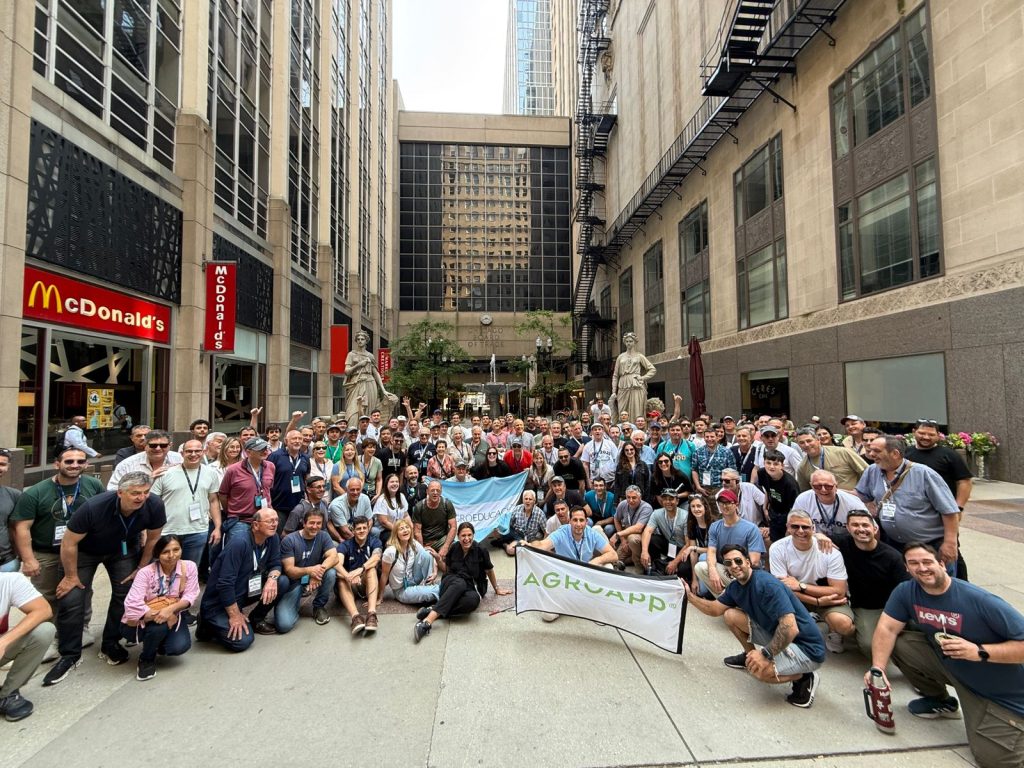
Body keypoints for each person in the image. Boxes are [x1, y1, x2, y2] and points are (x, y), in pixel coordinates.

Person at [869, 542, 1024, 768]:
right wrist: (878, 669)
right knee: (901, 644)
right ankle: (940, 701)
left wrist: (979, 651)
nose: (922, 568)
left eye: (927, 562)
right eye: (914, 563)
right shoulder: (906, 591)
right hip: (952, 666)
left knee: (995, 760)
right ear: (907, 568)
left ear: (942, 564)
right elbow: (887, 628)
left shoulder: (979, 600)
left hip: (997, 687)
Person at [43, 471, 167, 686]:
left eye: (145, 492)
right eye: (135, 493)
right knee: (72, 599)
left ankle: (110, 642)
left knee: (126, 593)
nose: (141, 497)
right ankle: (70, 655)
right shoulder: (94, 507)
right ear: (120, 493)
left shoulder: (154, 504)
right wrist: (71, 576)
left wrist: (141, 567)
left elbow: (153, 539)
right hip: (85, 552)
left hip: (122, 550)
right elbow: (69, 542)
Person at [684, 544, 825, 708]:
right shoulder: (736, 587)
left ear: (748, 562)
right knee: (730, 616)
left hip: (807, 649)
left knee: (760, 672)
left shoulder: (766, 585)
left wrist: (765, 654)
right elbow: (714, 609)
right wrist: (689, 596)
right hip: (779, 634)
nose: (734, 566)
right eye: (728, 563)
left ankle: (805, 676)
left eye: (738, 561)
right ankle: (749, 655)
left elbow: (790, 627)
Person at [11, 448, 104, 659]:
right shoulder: (36, 492)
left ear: (86, 464)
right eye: (69, 461)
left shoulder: (93, 485)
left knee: (82, 592)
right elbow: (22, 528)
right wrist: (28, 559)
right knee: (46, 597)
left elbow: (102, 513)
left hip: (82, 552)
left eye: (80, 461)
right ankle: (48, 639)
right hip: (47, 553)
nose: (75, 465)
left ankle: (81, 629)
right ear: (57, 464)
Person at [855, 436, 960, 570]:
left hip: (930, 545)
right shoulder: (872, 471)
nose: (871, 454)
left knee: (936, 580)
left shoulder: (923, 473)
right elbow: (861, 495)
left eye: (877, 451)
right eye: (870, 450)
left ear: (895, 454)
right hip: (894, 544)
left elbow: (949, 511)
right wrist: (832, 489)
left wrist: (950, 543)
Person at [769, 510, 855, 654]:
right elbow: (782, 590)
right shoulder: (777, 548)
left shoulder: (830, 551)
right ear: (788, 527)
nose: (800, 531)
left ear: (813, 528)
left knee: (844, 625)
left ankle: (833, 630)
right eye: (795, 526)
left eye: (805, 527)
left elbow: (839, 591)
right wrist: (816, 602)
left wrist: (801, 586)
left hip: (826, 597)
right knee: (770, 611)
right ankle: (802, 623)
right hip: (797, 597)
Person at [196, 508, 281, 651]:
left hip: (244, 592)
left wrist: (272, 579)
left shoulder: (273, 538)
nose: (274, 524)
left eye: (276, 520)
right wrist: (234, 615)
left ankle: (255, 620)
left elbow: (276, 563)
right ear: (255, 525)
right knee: (243, 641)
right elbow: (225, 583)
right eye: (270, 521)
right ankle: (207, 623)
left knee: (281, 582)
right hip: (219, 602)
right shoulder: (239, 543)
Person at [413, 522, 511, 643]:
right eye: (463, 535)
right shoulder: (454, 547)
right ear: (458, 536)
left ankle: (433, 609)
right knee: (460, 583)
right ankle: (426, 622)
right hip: (451, 582)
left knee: (473, 600)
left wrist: (497, 588)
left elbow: (489, 570)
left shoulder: (481, 550)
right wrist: (438, 559)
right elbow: (446, 570)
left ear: (473, 535)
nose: (466, 538)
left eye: (469, 535)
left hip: (471, 587)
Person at [830, 509, 909, 658]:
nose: (861, 529)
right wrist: (819, 536)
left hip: (885, 606)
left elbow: (906, 589)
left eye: (865, 525)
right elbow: (812, 536)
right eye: (855, 525)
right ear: (848, 528)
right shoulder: (842, 543)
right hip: (860, 605)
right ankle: (846, 630)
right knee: (869, 647)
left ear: (875, 528)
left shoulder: (892, 557)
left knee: (881, 644)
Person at [120, 534, 198, 681]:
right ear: (157, 554)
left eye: (176, 550)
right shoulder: (145, 573)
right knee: (159, 627)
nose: (172, 555)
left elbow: (190, 595)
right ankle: (146, 659)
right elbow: (132, 605)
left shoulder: (189, 567)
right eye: (165, 552)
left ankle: (155, 643)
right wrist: (165, 615)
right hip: (140, 621)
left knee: (178, 647)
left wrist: (170, 610)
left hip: (172, 614)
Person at [149, 439, 222, 566]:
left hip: (198, 530)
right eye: (189, 451)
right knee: (164, 569)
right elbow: (152, 502)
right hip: (168, 530)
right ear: (182, 453)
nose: (193, 454)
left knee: (189, 570)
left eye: (197, 451)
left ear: (203, 452)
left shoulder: (211, 473)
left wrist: (217, 527)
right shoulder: (165, 473)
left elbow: (213, 500)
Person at [0, 572, 54, 721]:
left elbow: (43, 610)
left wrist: (4, 642)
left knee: (44, 632)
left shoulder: (9, 580)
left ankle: (8, 694)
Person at [694, 489, 765, 597]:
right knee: (701, 564)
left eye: (728, 502)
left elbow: (754, 562)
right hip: (725, 568)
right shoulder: (715, 527)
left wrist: (734, 570)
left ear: (736, 504)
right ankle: (726, 599)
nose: (724, 506)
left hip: (743, 571)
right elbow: (711, 551)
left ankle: (732, 597)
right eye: (721, 503)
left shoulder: (751, 528)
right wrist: (713, 571)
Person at [276, 508, 338, 630]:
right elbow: (289, 571)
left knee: (331, 572)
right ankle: (291, 604)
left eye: (318, 523)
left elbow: (334, 557)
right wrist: (310, 571)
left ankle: (318, 606)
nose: (315, 526)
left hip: (314, 576)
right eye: (311, 523)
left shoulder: (323, 536)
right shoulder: (289, 540)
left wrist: (317, 573)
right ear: (304, 523)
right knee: (284, 625)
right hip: (295, 582)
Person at [217, 437, 275, 546]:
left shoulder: (270, 466)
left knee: (266, 551)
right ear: (248, 452)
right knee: (237, 549)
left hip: (264, 519)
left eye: (266, 448)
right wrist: (231, 511)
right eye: (260, 449)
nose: (265, 451)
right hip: (241, 520)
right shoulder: (233, 470)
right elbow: (223, 495)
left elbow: (268, 490)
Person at [336, 516, 382, 636]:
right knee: (340, 579)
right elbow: (337, 564)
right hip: (349, 584)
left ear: (368, 528)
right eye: (358, 528)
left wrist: (360, 570)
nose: (362, 531)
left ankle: (371, 614)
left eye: (364, 528)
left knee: (371, 569)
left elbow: (376, 557)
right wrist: (348, 576)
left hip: (365, 583)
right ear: (353, 530)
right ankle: (355, 617)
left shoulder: (374, 541)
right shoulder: (345, 545)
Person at [791, 469, 868, 537]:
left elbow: (869, 527)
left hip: (847, 541)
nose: (823, 490)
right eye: (818, 486)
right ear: (811, 486)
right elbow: (794, 525)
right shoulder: (803, 499)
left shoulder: (852, 502)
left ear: (836, 486)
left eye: (828, 486)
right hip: (814, 539)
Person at [381, 518, 439, 606]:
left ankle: (429, 584)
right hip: (401, 589)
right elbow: (384, 575)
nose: (405, 530)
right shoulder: (390, 552)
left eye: (407, 527)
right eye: (401, 529)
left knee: (426, 553)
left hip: (413, 579)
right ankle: (442, 589)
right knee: (436, 591)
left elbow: (428, 555)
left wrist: (435, 572)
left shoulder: (413, 543)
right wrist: (380, 597)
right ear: (396, 533)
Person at [793, 427, 867, 492]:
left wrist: (861, 492)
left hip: (852, 498)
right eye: (802, 443)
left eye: (809, 441)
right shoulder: (802, 467)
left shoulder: (842, 452)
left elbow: (867, 472)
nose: (806, 445)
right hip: (824, 502)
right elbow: (805, 491)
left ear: (818, 440)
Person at [343, 330, 396, 417]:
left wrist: (383, 390)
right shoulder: (351, 354)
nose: (360, 341)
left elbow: (376, 373)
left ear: (366, 341)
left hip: (370, 382)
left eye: (362, 339)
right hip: (356, 382)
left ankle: (368, 425)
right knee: (352, 412)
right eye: (358, 339)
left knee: (369, 410)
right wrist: (359, 365)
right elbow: (346, 371)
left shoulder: (370, 356)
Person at [106, 430, 182, 490]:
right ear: (145, 446)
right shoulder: (127, 464)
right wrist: (147, 479)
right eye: (153, 445)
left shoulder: (179, 459)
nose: (158, 448)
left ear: (170, 445)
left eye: (163, 445)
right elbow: (113, 489)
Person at [609, 332, 656, 421]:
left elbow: (652, 369)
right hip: (623, 384)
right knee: (622, 410)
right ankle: (623, 428)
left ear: (634, 342)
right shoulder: (620, 357)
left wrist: (643, 378)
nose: (628, 343)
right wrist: (614, 391)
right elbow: (615, 375)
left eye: (630, 341)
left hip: (636, 385)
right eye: (627, 341)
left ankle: (637, 427)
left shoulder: (639, 356)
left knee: (637, 410)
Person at [641, 488, 688, 576]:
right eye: (665, 499)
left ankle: (669, 567)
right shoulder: (656, 513)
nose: (668, 502)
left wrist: (675, 562)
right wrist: (644, 551)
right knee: (653, 539)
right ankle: (652, 566)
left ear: (677, 501)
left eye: (671, 499)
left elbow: (688, 543)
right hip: (670, 545)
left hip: (683, 549)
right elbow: (647, 531)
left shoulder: (685, 516)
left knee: (683, 569)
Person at [608, 485, 653, 569]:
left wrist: (618, 534)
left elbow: (638, 528)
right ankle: (633, 558)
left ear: (640, 497)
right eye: (628, 497)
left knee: (632, 538)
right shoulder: (623, 504)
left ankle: (639, 566)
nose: (630, 500)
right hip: (626, 535)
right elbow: (616, 519)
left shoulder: (646, 508)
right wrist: (623, 539)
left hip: (641, 537)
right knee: (615, 560)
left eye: (634, 498)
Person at [679, 494, 718, 590]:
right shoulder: (692, 523)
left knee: (703, 557)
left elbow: (715, 549)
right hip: (700, 555)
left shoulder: (714, 523)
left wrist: (694, 548)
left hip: (715, 556)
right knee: (683, 567)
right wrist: (694, 579)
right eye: (693, 506)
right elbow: (693, 553)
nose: (696, 509)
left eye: (699, 506)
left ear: (705, 507)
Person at [492, 490, 547, 556]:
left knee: (512, 550)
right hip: (517, 535)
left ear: (534, 501)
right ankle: (504, 542)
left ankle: (503, 543)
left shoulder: (540, 513)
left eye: (530, 499)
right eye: (526, 499)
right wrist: (497, 529)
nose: (528, 501)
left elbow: (546, 531)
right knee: (508, 546)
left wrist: (543, 545)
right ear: (523, 500)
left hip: (530, 539)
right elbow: (507, 523)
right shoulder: (517, 509)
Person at [410, 480, 457, 556]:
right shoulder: (419, 507)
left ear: (441, 492)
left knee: (455, 548)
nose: (435, 493)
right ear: (427, 492)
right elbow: (417, 532)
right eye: (432, 490)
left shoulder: (447, 504)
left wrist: (445, 547)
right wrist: (422, 550)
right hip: (426, 542)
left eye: (438, 490)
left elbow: (453, 527)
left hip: (442, 540)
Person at [691, 427, 737, 496]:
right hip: (703, 488)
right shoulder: (697, 452)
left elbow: (732, 471)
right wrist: (698, 487)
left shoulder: (727, 452)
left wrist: (727, 488)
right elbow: (694, 470)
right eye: (707, 437)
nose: (709, 439)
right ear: (704, 438)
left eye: (712, 437)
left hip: (721, 488)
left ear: (717, 438)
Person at [327, 477, 373, 542]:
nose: (355, 492)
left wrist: (364, 535)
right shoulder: (336, 505)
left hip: (361, 531)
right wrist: (360, 541)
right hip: (341, 535)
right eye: (352, 490)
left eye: (358, 489)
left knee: (375, 531)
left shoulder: (365, 499)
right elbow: (345, 532)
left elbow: (370, 520)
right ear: (346, 490)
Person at [373, 473, 409, 543]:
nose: (395, 484)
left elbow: (406, 515)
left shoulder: (401, 496)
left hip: (400, 528)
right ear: (386, 484)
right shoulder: (382, 500)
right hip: (385, 531)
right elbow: (384, 522)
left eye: (397, 481)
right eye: (392, 482)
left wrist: (410, 528)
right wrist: (399, 531)